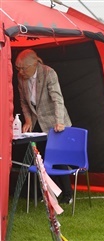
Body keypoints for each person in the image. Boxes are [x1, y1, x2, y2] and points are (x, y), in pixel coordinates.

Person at [15, 49, 73, 204]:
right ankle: (51, 193)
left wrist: (59, 121)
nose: (20, 72)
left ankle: (68, 194)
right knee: (42, 160)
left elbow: (57, 99)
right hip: (37, 123)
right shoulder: (21, 78)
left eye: (23, 68)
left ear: (35, 63)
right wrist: (27, 120)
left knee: (58, 158)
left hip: (55, 122)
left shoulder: (49, 73)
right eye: (17, 68)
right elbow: (23, 102)